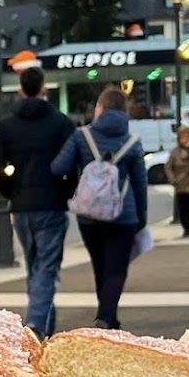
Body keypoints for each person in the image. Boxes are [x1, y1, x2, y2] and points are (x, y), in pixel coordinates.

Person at [0, 64, 75, 337]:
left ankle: (45, 328)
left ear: (21, 90)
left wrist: (11, 191)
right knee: (47, 268)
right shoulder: (60, 122)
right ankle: (36, 325)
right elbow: (73, 162)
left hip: (22, 205)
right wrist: (66, 192)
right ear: (43, 89)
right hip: (51, 202)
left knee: (34, 266)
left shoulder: (7, 126)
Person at [51, 85, 147, 331]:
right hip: (123, 216)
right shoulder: (133, 142)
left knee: (100, 266)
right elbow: (140, 183)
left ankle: (108, 318)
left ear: (100, 108)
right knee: (117, 269)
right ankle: (106, 316)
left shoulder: (81, 136)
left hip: (89, 217)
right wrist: (141, 218)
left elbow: (58, 168)